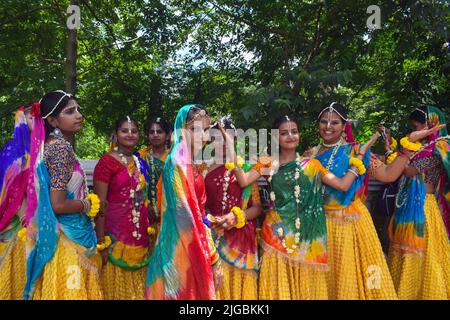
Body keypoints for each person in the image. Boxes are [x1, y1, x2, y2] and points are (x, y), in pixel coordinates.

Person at [223, 115, 369, 299]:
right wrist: (230, 145)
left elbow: (342, 185)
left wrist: (359, 158)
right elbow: (244, 181)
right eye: (284, 133)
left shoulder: (312, 164)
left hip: (307, 237)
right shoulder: (268, 162)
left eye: (294, 131)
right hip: (277, 234)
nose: (290, 136)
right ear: (276, 137)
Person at [24, 90, 102, 300]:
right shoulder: (60, 149)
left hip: (54, 237)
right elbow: (57, 204)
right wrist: (87, 204)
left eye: (78, 109)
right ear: (53, 120)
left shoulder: (45, 146)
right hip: (67, 242)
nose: (78, 115)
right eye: (70, 111)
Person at [145, 104, 222, 300]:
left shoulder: (187, 158)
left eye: (205, 130)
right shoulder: (178, 160)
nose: (202, 136)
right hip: (179, 252)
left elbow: (198, 212)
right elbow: (185, 214)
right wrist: (212, 257)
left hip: (188, 246)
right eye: (194, 130)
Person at [387, 105, 450, 299]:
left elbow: (411, 170)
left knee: (424, 254)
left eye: (418, 126)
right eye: (413, 127)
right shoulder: (422, 147)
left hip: (423, 206)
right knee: (405, 250)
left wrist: (394, 155)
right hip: (409, 204)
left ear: (432, 124)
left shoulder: (439, 148)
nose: (415, 131)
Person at [204, 117, 263, 300]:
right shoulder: (203, 170)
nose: (223, 142)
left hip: (240, 239)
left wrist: (236, 217)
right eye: (218, 137)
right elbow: (198, 205)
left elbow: (258, 208)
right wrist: (210, 219)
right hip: (212, 238)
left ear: (235, 140)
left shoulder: (246, 168)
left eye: (228, 137)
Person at [93, 116, 151, 300]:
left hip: (139, 233)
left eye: (134, 131)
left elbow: (144, 199)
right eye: (124, 130)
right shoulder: (106, 162)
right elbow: (101, 203)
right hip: (115, 236)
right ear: (115, 135)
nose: (130, 134)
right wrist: (101, 241)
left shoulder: (140, 162)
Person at [0, 105, 32, 299]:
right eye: (31, 117)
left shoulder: (39, 148)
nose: (36, 121)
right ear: (21, 119)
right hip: (14, 220)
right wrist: (22, 213)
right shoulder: (12, 150)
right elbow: (10, 185)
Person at [138, 116, 170, 252]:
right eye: (152, 132)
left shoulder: (174, 157)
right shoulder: (140, 157)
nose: (155, 135)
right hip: (144, 215)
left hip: (169, 216)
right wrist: (146, 207)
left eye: (159, 131)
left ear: (167, 135)